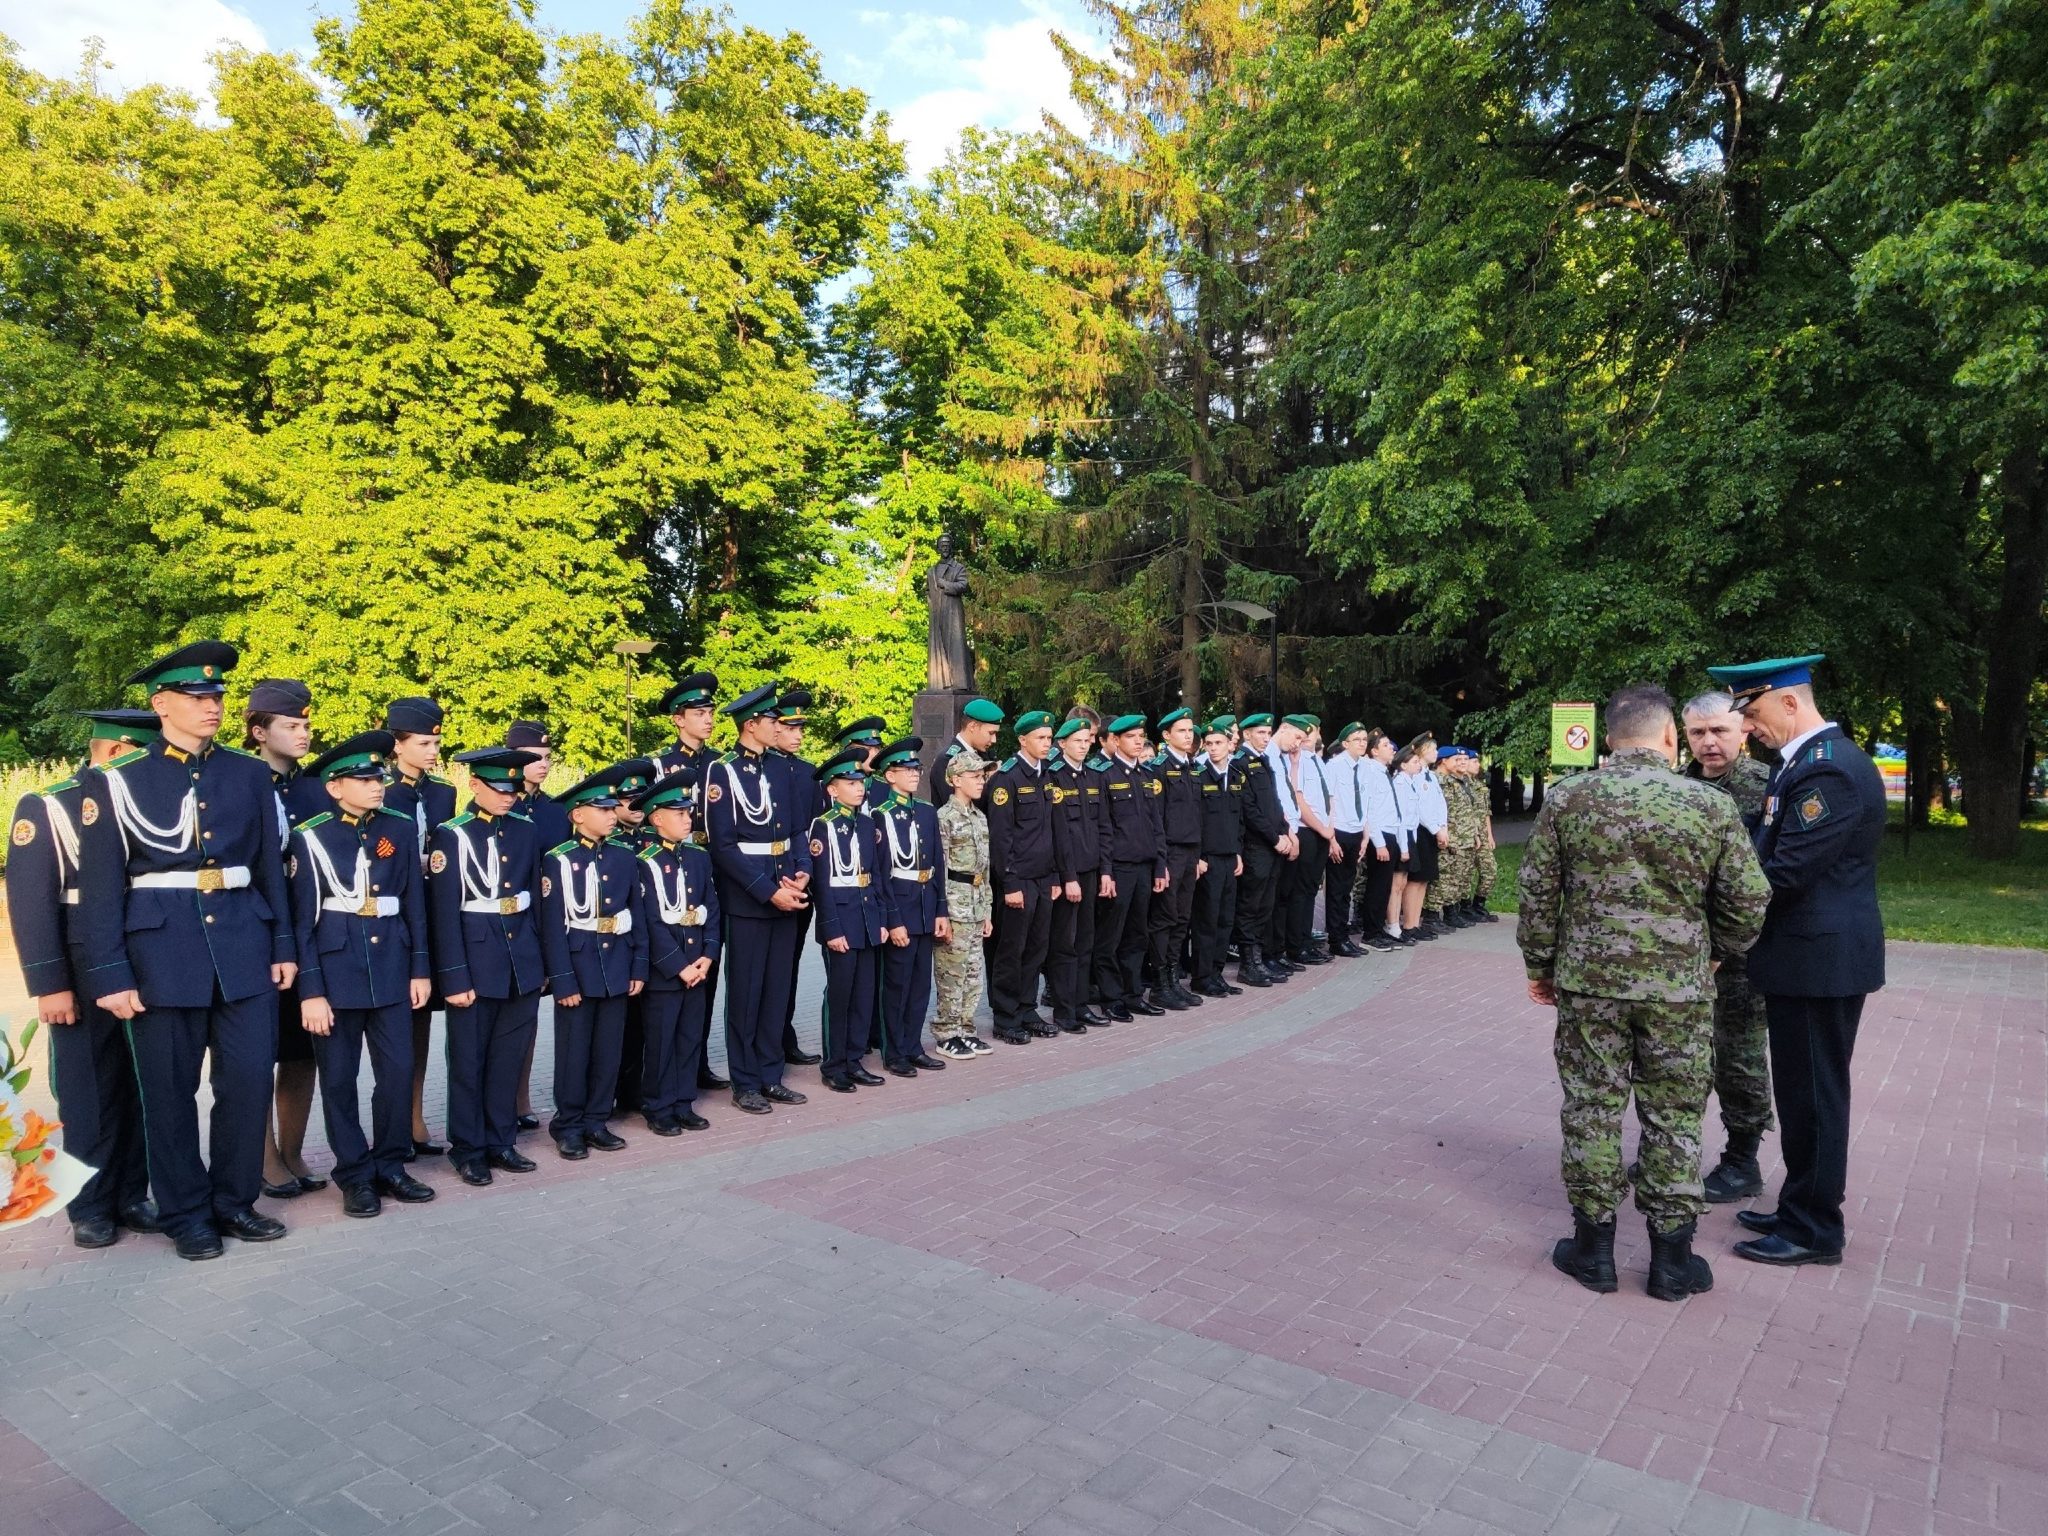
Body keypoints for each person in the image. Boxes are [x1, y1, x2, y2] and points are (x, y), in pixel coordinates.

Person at [1517, 684, 1771, 1301]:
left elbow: (1537, 892)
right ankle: (1672, 1261)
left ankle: (1593, 1251)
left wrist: (1541, 966)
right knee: (1675, 1113)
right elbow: (1749, 897)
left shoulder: (1568, 797)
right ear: (1669, 737)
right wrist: (1716, 952)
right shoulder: (1709, 804)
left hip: (1590, 986)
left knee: (1592, 1105)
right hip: (1679, 989)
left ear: (1609, 739)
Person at [78, 641, 297, 1262]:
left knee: (247, 1083)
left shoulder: (248, 774)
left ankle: (234, 1202)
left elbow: (269, 869)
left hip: (244, 947)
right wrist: (110, 974)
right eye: (196, 696)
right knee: (169, 1094)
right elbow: (100, 889)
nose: (212, 705)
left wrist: (283, 944)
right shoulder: (117, 781)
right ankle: (186, 1214)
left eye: (218, 695)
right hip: (160, 955)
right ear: (161, 704)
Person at [1708, 654, 1886, 1268]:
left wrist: (1719, 911)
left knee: (1815, 1098)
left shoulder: (1827, 769)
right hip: (1805, 959)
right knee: (1801, 1094)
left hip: (1818, 962)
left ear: (1790, 701)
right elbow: (1769, 841)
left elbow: (1784, 873)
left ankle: (1814, 1229)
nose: (1747, 725)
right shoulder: (1803, 762)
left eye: (1752, 710)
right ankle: (1797, 1206)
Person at [6, 709, 162, 1249]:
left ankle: (132, 1194)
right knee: (88, 1090)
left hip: (144, 958)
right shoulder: (50, 805)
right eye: (146, 753)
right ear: (116, 751)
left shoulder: (146, 800)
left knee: (140, 1083)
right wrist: (49, 983)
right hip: (77, 968)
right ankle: (90, 1205)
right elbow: (30, 902)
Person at [287, 731, 436, 1218]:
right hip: (336, 975)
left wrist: (419, 968)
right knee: (339, 1081)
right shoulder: (311, 837)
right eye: (365, 780)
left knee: (397, 1073)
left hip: (392, 968)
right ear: (335, 787)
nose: (377, 786)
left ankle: (391, 1164)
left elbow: (414, 906)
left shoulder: (397, 827)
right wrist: (311, 991)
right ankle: (354, 1175)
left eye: (379, 778)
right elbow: (302, 922)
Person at [428, 748, 546, 1188]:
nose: (507, 796)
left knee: (506, 1059)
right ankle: (468, 1148)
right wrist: (454, 976)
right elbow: (444, 914)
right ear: (474, 784)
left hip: (520, 960)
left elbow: (535, 901)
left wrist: (540, 963)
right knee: (468, 1061)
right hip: (476, 963)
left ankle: (501, 1140)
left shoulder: (525, 830)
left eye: (513, 789)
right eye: (498, 788)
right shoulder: (452, 835)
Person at [1679, 691, 1776, 1203]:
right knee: (1678, 1059)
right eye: (1698, 732)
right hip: (1681, 950)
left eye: (1719, 730)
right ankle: (1675, 1154)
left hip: (1741, 953)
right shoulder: (1675, 788)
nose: (1709, 742)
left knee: (1738, 1057)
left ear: (1744, 730)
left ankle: (1742, 1161)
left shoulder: (1767, 787)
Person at [704, 684, 812, 1115]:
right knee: (746, 994)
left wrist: (802, 869)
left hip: (788, 885)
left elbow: (798, 829)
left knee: (776, 989)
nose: (779, 726)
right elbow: (723, 846)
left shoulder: (781, 768)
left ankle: (771, 1075)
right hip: (749, 899)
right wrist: (769, 892)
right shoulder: (723, 772)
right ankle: (745, 1081)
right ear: (751, 725)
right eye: (772, 721)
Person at [540, 763, 651, 1160]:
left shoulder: (623, 856)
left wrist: (639, 965)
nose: (611, 814)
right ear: (577, 815)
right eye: (601, 809)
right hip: (579, 967)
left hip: (617, 965)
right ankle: (569, 1124)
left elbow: (637, 915)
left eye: (611, 808)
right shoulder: (558, 860)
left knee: (608, 1050)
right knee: (575, 1052)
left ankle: (596, 1120)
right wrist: (562, 980)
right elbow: (553, 926)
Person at [245, 679, 326, 1202]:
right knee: (256, 1055)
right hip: (255, 936)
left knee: (302, 1051)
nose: (303, 734)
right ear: (259, 732)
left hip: (307, 935)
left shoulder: (316, 790)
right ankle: (264, 1159)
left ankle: (292, 1151)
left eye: (306, 725)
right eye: (290, 725)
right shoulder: (239, 782)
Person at [383, 695, 457, 1158]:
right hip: (394, 917)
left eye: (436, 742)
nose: (433, 751)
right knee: (395, 1028)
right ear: (398, 744)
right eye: (423, 743)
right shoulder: (382, 790)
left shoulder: (443, 793)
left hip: (432, 915)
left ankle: (414, 1116)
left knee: (422, 1020)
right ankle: (394, 1124)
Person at [631, 767, 721, 1134]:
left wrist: (708, 955)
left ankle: (684, 1102)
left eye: (689, 812)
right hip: (666, 972)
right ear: (656, 819)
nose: (688, 819)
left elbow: (711, 907)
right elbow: (649, 921)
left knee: (689, 1037)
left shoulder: (698, 856)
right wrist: (678, 966)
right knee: (661, 1041)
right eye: (679, 813)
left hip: (698, 963)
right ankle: (658, 1105)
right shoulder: (643, 861)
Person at [652, 670, 728, 1094]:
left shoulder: (719, 763)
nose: (708, 719)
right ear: (678, 719)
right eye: (699, 713)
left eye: (710, 712)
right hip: (675, 869)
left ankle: (697, 1063)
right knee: (676, 969)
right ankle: (668, 1075)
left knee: (707, 968)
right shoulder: (661, 765)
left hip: (712, 868)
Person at [809, 747, 898, 1091]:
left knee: (863, 995)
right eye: (850, 782)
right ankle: (833, 1064)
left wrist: (882, 919)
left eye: (861, 781)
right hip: (842, 921)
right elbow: (821, 883)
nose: (859, 787)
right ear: (833, 789)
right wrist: (831, 928)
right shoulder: (823, 826)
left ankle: (854, 1059)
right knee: (841, 994)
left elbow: (876, 876)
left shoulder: (866, 823)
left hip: (867, 918)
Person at [872, 737, 952, 1075]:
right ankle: (894, 1052)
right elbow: (881, 874)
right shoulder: (880, 815)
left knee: (920, 984)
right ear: (890, 775)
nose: (915, 774)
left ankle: (913, 1045)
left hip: (925, 905)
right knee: (896, 985)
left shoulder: (926, 811)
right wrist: (892, 920)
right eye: (907, 769)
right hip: (901, 909)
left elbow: (937, 864)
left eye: (917, 768)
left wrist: (941, 910)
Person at [984, 710, 1061, 1043]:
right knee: (1011, 951)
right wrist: (1010, 883)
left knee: (1036, 949)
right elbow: (1001, 839)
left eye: (1049, 738)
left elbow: (1051, 832)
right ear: (1022, 740)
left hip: (1044, 879)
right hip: (1019, 881)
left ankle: (1027, 1010)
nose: (1046, 744)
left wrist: (1055, 876)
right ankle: (1005, 1016)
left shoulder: (1047, 776)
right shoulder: (1007, 779)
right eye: (1040, 738)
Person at [1091, 714, 1168, 1022]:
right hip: (1119, 867)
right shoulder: (1105, 775)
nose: (1138, 742)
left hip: (1145, 867)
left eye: (1141, 736)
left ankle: (1133, 994)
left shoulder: (1146, 775)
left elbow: (1156, 824)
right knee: (1111, 936)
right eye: (1131, 737)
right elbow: (1103, 828)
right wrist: (1106, 871)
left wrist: (1160, 865)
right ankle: (1111, 997)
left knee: (1137, 935)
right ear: (1116, 740)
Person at [769, 688, 826, 1068]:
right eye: (790, 728)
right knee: (765, 972)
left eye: (800, 728)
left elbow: (811, 832)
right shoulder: (762, 771)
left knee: (789, 965)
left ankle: (784, 1036)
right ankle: (767, 1043)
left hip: (801, 881)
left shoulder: (808, 773)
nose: (798, 735)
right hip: (771, 883)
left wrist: (805, 877)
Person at [1047, 716, 1109, 1033]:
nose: (1084, 746)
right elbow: (1058, 835)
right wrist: (1067, 876)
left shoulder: (1094, 777)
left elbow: (1103, 828)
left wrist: (1105, 871)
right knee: (1065, 944)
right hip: (1067, 874)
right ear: (1062, 744)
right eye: (1077, 741)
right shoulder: (1054, 777)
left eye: (1087, 741)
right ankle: (1064, 1009)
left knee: (1086, 941)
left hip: (1090, 870)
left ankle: (1081, 1004)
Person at [932, 750, 996, 1058]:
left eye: (983, 776)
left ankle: (966, 1029)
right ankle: (947, 1032)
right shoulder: (944, 818)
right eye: (975, 776)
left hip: (976, 903)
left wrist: (988, 911)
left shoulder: (979, 817)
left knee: (972, 973)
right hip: (955, 905)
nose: (981, 781)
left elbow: (984, 870)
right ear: (956, 780)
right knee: (951, 974)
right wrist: (942, 911)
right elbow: (940, 867)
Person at [1146, 709, 1205, 1009]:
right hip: (1170, 853)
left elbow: (1197, 815)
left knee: (1182, 918)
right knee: (1164, 918)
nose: (1188, 735)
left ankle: (1172, 978)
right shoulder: (1159, 768)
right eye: (1181, 731)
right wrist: (1161, 861)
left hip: (1190, 851)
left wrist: (1199, 855)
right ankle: (1159, 983)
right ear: (1166, 736)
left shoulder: (1193, 767)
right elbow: (1155, 819)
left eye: (1190, 730)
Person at [1231, 714, 1292, 986]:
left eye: (1268, 733)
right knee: (1251, 905)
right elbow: (1249, 809)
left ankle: (1259, 959)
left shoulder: (1263, 760)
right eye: (1260, 733)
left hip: (1273, 843)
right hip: (1256, 846)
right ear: (1247, 735)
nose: (1266, 738)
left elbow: (1274, 804)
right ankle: (1248, 963)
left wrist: (1284, 831)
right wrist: (1274, 837)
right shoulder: (1240, 763)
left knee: (1266, 905)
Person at [1189, 720, 1246, 997]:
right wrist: (1198, 855)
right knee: (1206, 920)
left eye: (1218, 743)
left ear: (1229, 745)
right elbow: (1194, 821)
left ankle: (1216, 973)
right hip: (1208, 859)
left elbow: (1239, 820)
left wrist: (1238, 853)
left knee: (1225, 920)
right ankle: (1201, 976)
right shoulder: (1199, 775)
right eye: (1209, 744)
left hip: (1229, 857)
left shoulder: (1235, 775)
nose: (1213, 748)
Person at [1349, 730, 1406, 951]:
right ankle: (1370, 934)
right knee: (1377, 885)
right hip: (1379, 834)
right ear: (1374, 751)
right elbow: (1370, 809)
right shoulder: (1371, 772)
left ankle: (1378, 928)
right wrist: (1379, 842)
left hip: (1390, 833)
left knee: (1384, 886)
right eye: (1385, 745)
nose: (1391, 749)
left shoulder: (1384, 772)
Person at [1323, 723, 1374, 957]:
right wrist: (1331, 839)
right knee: (1336, 889)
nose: (1362, 743)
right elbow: (1329, 803)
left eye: (1364, 739)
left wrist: (1366, 835)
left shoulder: (1365, 767)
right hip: (1339, 831)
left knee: (1347, 887)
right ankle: (1336, 939)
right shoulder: (1334, 766)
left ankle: (1343, 936)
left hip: (1356, 831)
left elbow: (1366, 802)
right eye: (1357, 739)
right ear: (1345, 744)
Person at [927, 697, 1005, 805]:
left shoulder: (984, 756)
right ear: (972, 726)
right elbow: (957, 806)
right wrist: (991, 781)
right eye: (991, 733)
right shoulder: (947, 760)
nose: (994, 740)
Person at [1391, 746, 1432, 943]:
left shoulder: (1410, 782)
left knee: (1403, 882)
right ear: (1403, 765)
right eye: (1414, 762)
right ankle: (1394, 926)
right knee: (1398, 884)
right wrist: (1404, 847)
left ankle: (1408, 926)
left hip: (1410, 834)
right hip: (1402, 835)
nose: (1418, 765)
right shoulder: (1399, 783)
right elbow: (1400, 816)